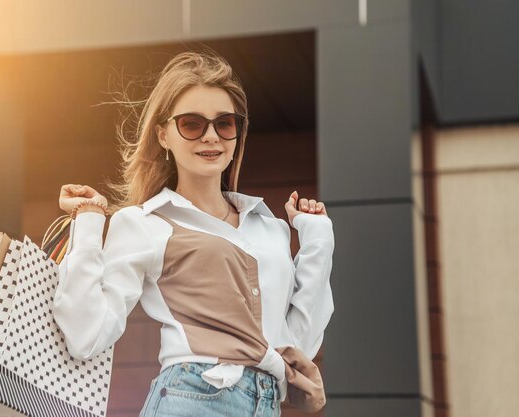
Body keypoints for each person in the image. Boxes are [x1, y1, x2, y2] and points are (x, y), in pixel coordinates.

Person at [54, 50, 334, 417]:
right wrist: (90, 221)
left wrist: (318, 240)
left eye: (225, 124)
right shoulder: (144, 223)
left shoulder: (270, 229)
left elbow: (298, 344)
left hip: (264, 403)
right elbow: (86, 335)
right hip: (193, 398)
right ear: (163, 135)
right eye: (191, 124)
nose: (211, 136)